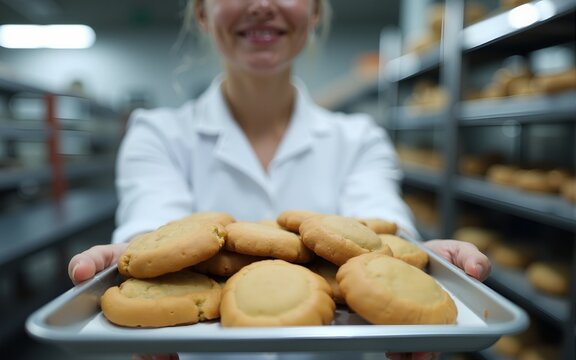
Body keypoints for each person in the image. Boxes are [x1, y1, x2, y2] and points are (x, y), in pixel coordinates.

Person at [68, 1, 491, 359]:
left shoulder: (360, 138)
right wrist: (135, 258)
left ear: (315, 11)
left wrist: (422, 260)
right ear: (201, 11)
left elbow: (382, 231)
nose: (262, 4)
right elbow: (155, 234)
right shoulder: (156, 134)